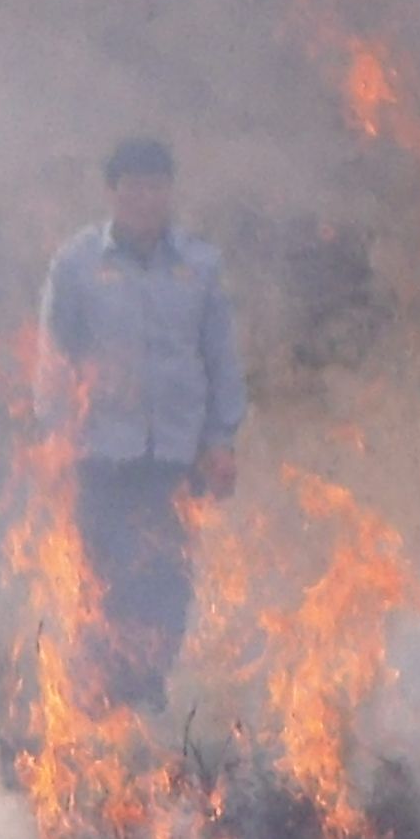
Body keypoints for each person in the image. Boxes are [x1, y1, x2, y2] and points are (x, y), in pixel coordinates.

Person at [33, 136, 244, 715]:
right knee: (104, 584)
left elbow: (220, 357)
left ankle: (147, 702)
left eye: (155, 186)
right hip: (101, 454)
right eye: (132, 186)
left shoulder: (199, 266)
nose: (144, 197)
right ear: (112, 192)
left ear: (169, 191)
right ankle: (96, 711)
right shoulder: (77, 264)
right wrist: (57, 439)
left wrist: (221, 440)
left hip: (176, 456)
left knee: (168, 586)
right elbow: (54, 360)